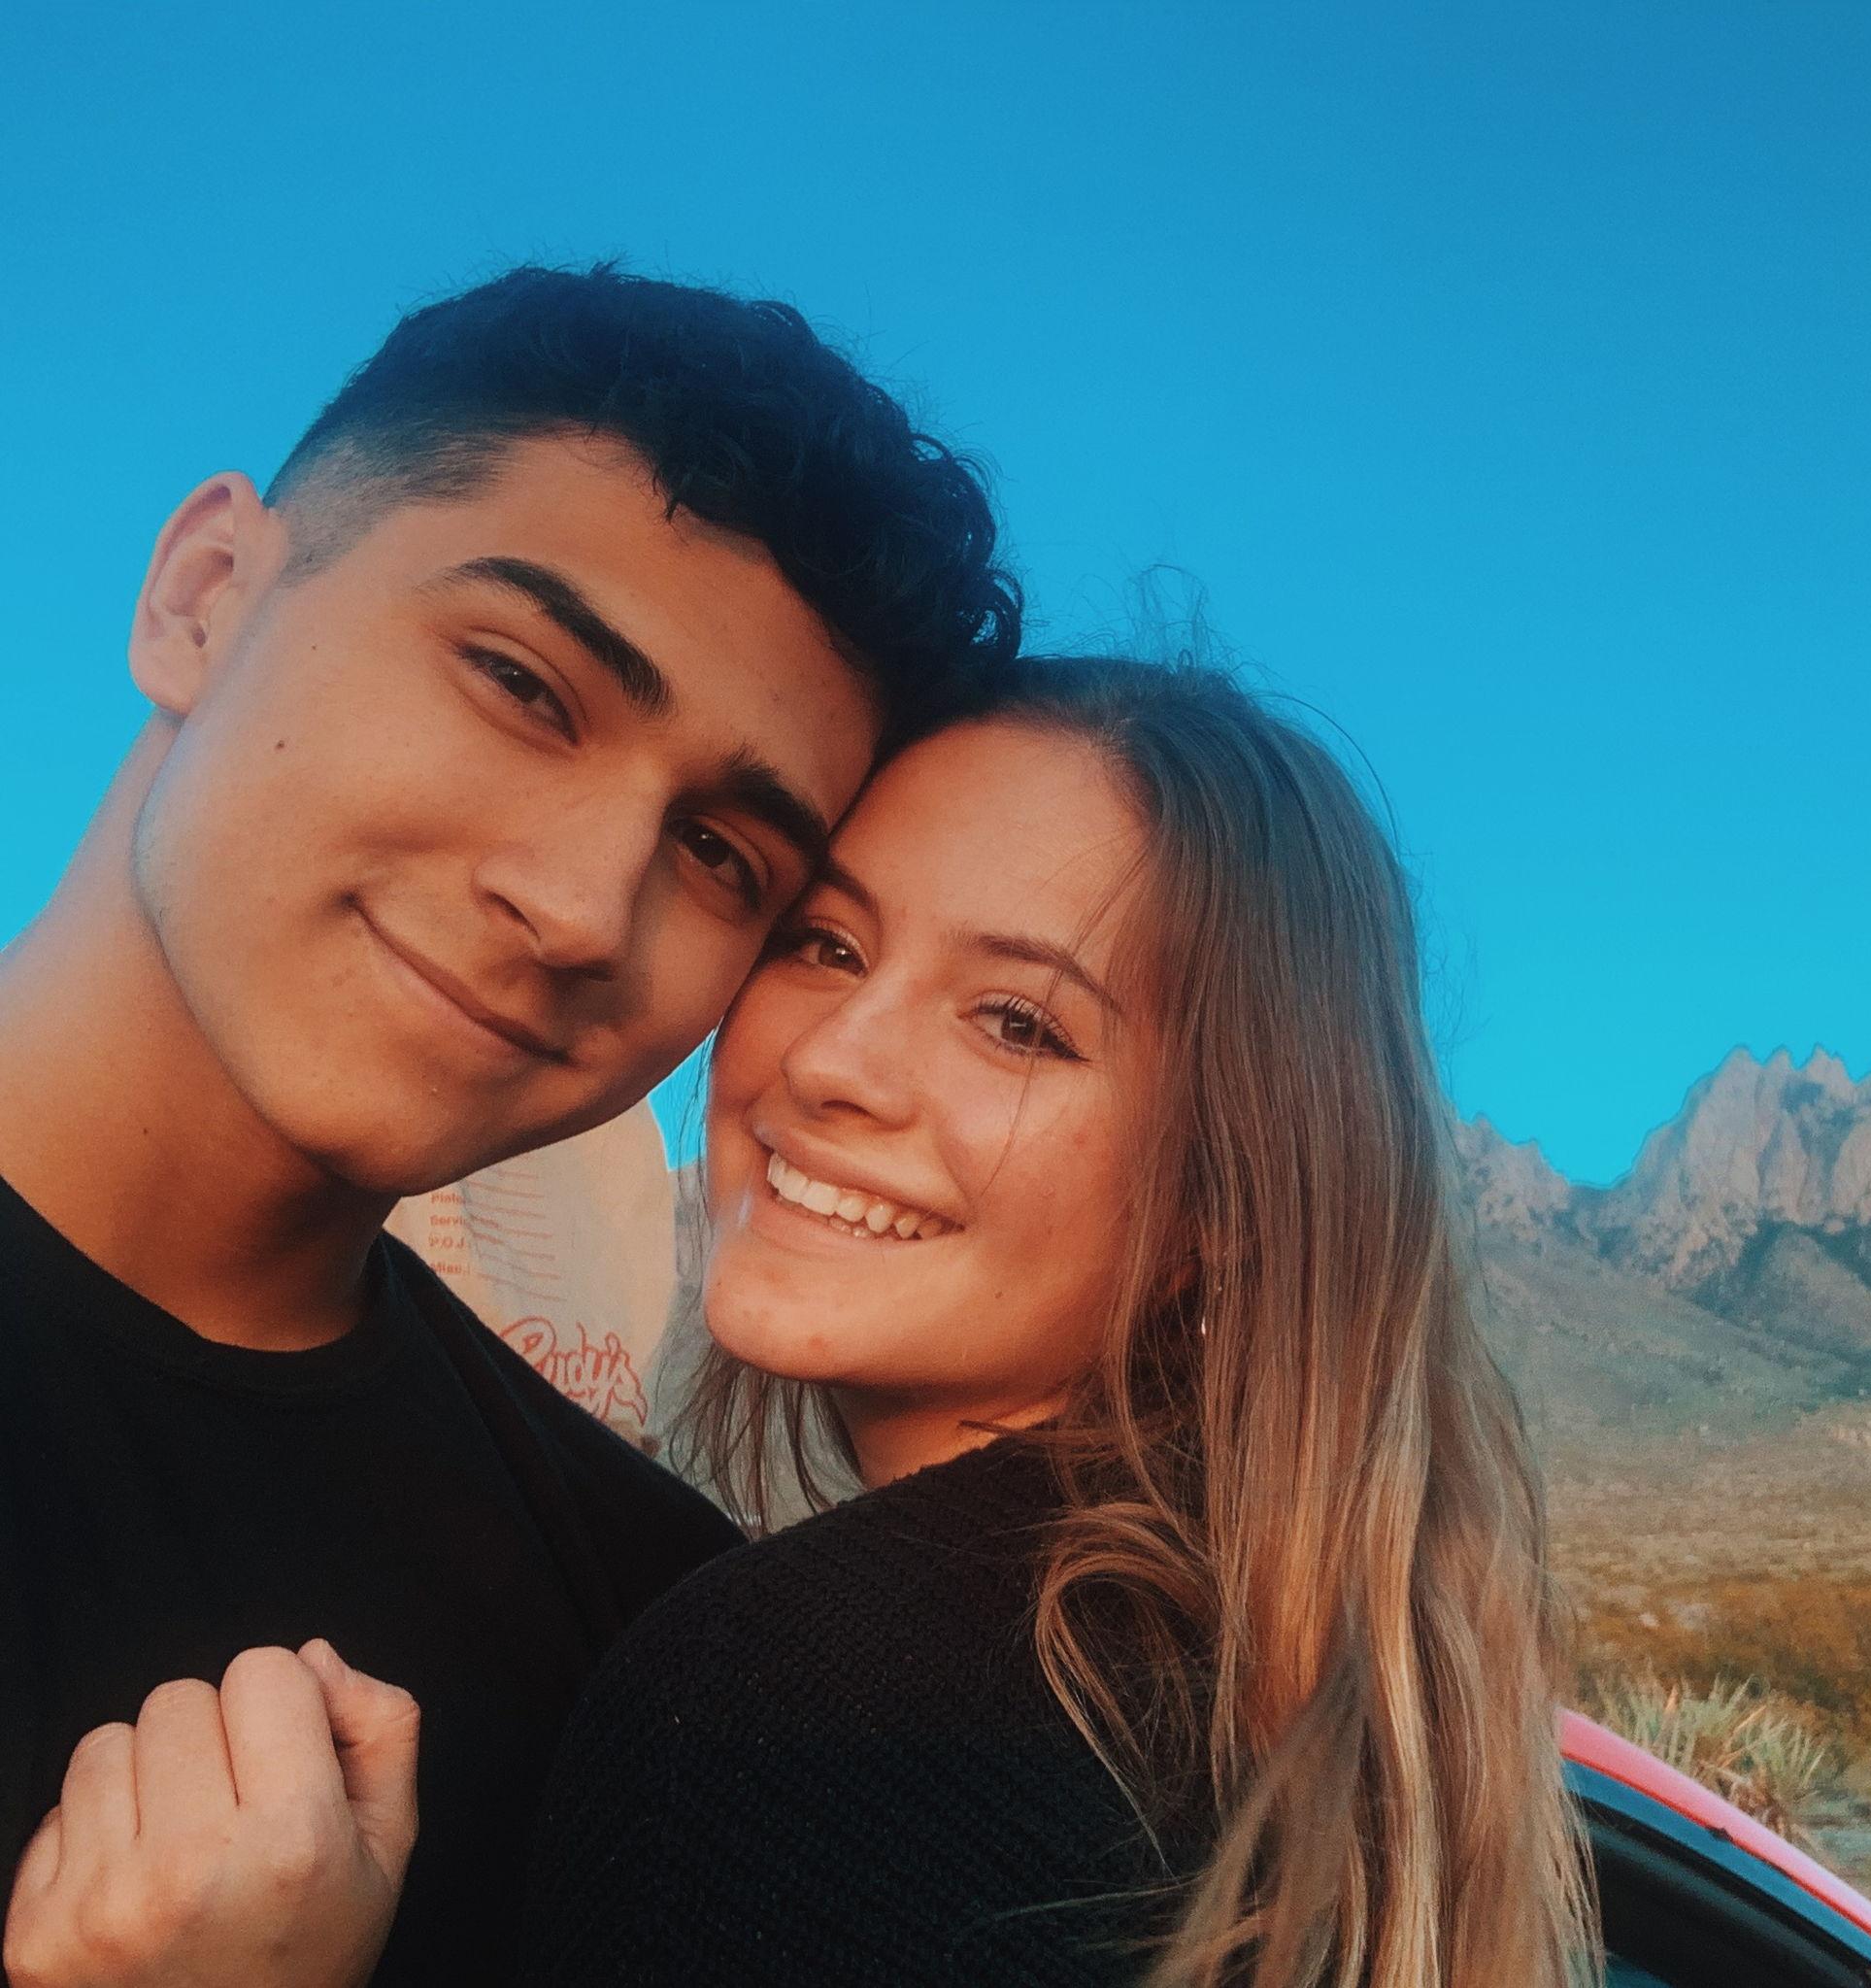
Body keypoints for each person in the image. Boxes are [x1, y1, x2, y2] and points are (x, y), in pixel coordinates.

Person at [10, 655, 1599, 1988]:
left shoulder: (813, 1717)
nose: (832, 1060)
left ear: (1220, 1206)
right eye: (824, 944)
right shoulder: (1269, 1723)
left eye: (1017, 1022)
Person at [0, 261, 1019, 1987]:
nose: (580, 908)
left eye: (722, 855)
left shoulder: (659, 1667)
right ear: (202, 598)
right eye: (523, 685)